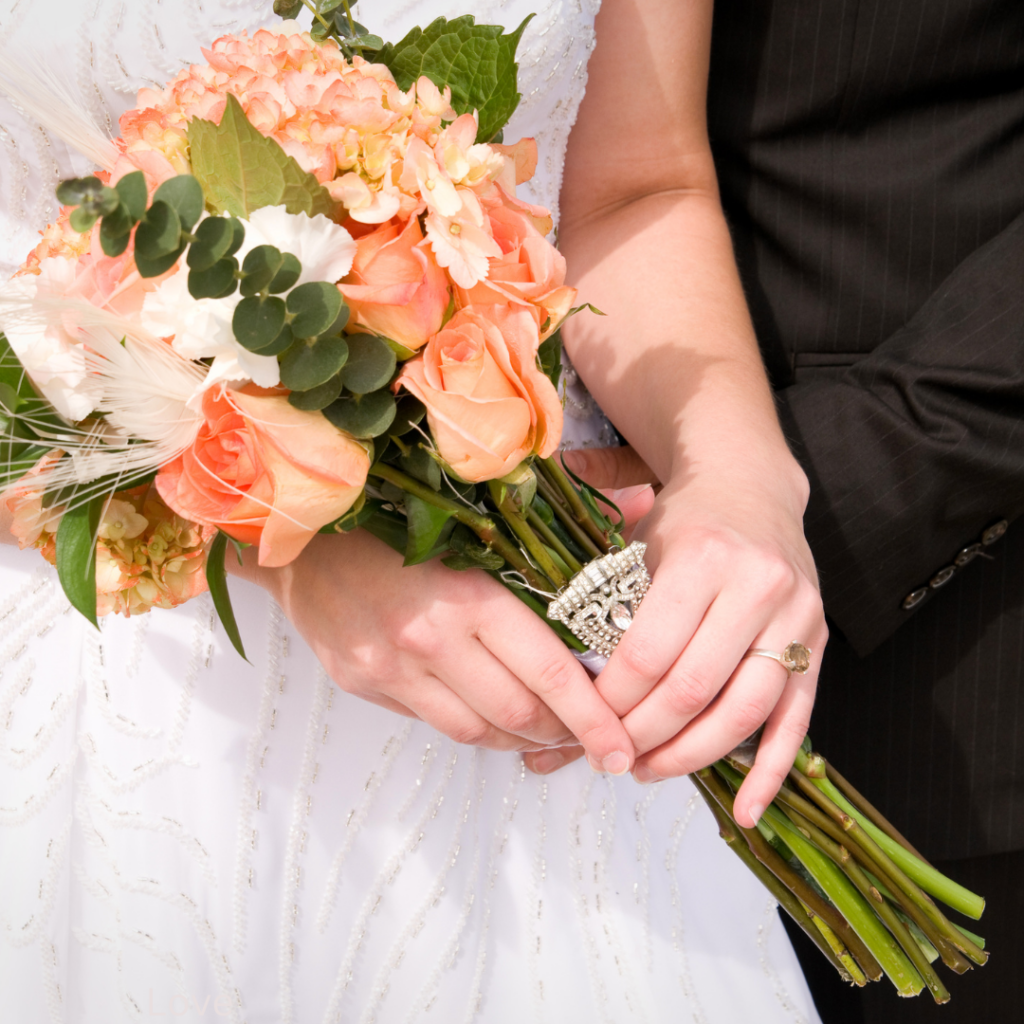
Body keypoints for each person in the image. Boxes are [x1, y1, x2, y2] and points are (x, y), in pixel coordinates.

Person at [0, 1, 827, 1021]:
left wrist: (741, 482)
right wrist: (286, 541)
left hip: (536, 634)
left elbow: (635, 186)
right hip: (146, 676)